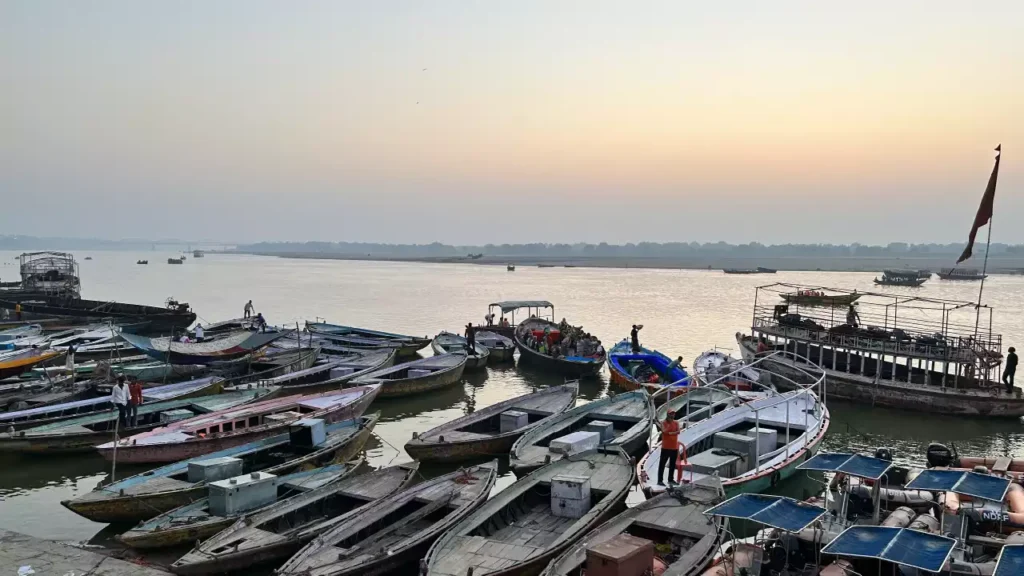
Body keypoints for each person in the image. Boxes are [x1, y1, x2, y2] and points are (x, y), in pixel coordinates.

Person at [659, 410, 681, 486]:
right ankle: (660, 480)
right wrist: (672, 432)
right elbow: (664, 431)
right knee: (662, 464)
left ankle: (670, 479)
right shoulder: (663, 422)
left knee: (672, 464)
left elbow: (678, 431)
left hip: (674, 447)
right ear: (667, 415)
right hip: (666, 447)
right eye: (671, 414)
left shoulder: (676, 422)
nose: (672, 416)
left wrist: (670, 433)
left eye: (673, 414)